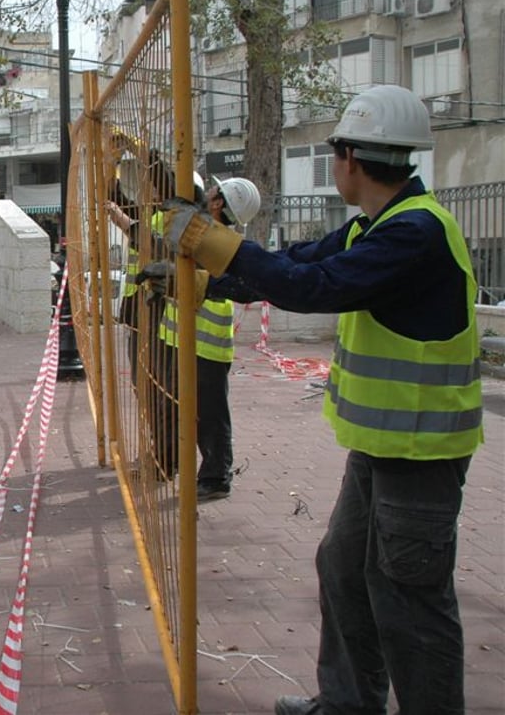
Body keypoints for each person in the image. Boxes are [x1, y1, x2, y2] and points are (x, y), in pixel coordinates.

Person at [161, 85, 482, 715]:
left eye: (333, 152)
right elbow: (296, 262)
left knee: (411, 601)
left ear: (351, 159)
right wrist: (203, 275)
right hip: (385, 444)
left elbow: (313, 286)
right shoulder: (378, 225)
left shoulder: (413, 234)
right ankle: (347, 704)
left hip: (420, 453)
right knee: (344, 570)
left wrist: (208, 240)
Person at [143, 176, 261, 499]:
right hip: (180, 334)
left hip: (205, 342)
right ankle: (174, 462)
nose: (207, 193)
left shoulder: (215, 242)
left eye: (213, 191)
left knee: (210, 414)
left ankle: (216, 475)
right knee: (181, 406)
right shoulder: (215, 237)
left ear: (219, 203)